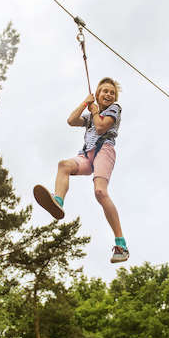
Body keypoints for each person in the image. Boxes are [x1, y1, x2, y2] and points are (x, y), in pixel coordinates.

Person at [33, 77, 129, 263]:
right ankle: (58, 201)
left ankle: (121, 244)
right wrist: (86, 103)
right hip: (86, 155)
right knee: (64, 165)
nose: (108, 94)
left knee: (100, 192)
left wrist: (94, 112)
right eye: (105, 91)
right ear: (98, 95)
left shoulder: (114, 109)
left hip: (104, 150)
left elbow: (101, 127)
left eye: (111, 92)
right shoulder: (91, 114)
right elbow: (71, 120)